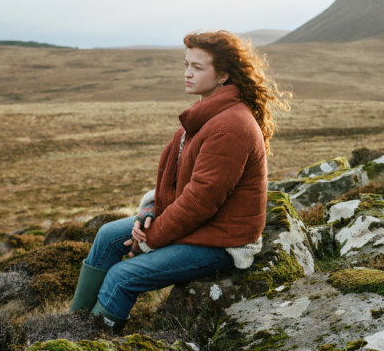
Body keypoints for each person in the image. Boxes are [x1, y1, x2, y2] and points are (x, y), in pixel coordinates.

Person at [69, 30, 291, 330]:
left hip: (222, 242)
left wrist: (149, 241)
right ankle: (71, 327)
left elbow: (199, 203)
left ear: (223, 74)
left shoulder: (230, 126)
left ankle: (88, 347)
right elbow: (176, 182)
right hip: (201, 226)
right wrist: (149, 213)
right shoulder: (206, 112)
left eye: (197, 68)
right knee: (108, 236)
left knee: (123, 277)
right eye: (186, 65)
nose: (187, 74)